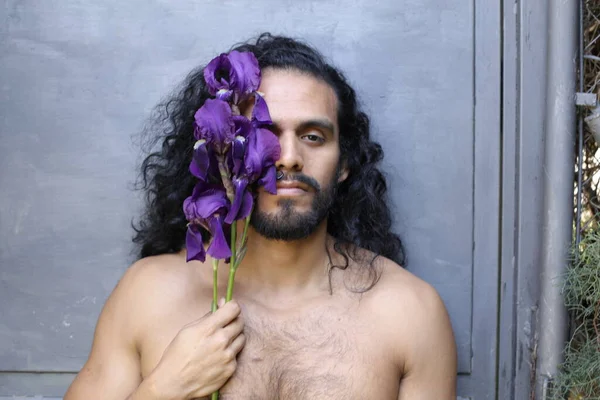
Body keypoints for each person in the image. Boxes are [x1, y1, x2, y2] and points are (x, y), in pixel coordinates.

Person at [64, 33, 457, 400]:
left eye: (313, 137)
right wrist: (164, 388)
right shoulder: (148, 294)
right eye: (263, 132)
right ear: (224, 148)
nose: (287, 157)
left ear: (345, 163)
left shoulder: (409, 313)